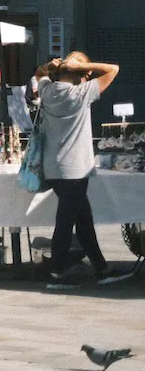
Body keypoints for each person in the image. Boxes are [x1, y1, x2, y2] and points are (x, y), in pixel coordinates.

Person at [38, 52, 129, 287]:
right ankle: (57, 272)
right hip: (75, 169)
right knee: (67, 221)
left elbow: (38, 74)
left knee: (83, 219)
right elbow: (113, 68)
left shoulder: (47, 91)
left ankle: (101, 268)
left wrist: (52, 66)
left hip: (53, 168)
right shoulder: (81, 93)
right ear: (82, 74)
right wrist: (82, 65)